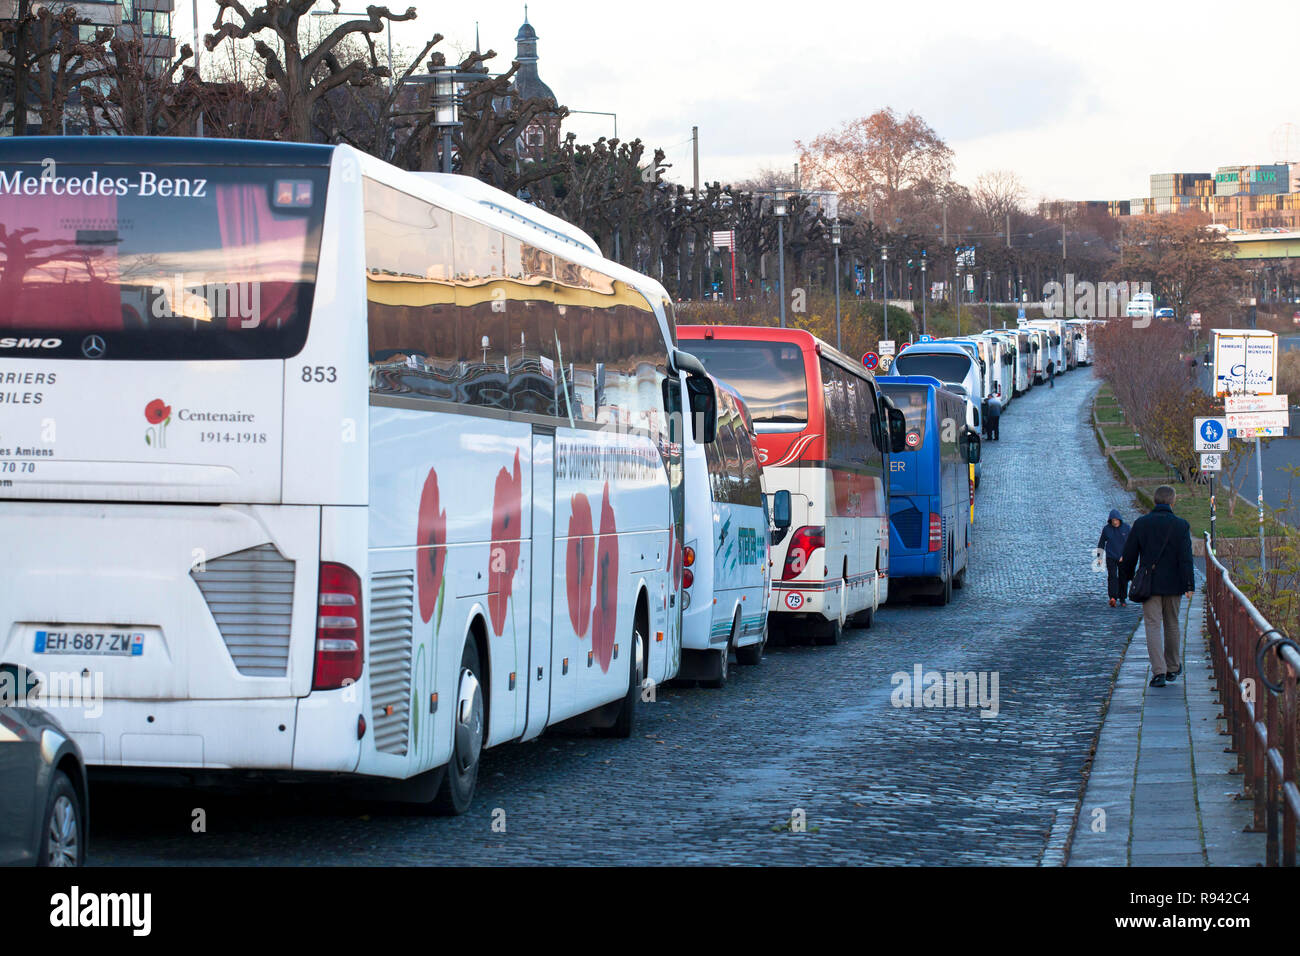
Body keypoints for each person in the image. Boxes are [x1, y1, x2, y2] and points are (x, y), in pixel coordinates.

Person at [1120, 485, 1195, 688]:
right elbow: (1186, 558)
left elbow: (1129, 555)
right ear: (1173, 501)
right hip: (1174, 584)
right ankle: (1173, 666)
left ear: (1154, 500)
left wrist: (1126, 578)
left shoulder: (1142, 523)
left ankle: (1159, 672)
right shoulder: (1181, 526)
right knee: (1172, 624)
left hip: (1149, 584)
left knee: (1152, 626)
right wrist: (1189, 584)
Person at [1097, 509, 1131, 607]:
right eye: (1113, 520)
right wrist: (1099, 557)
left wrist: (1125, 556)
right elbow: (1101, 542)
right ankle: (1113, 597)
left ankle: (1123, 598)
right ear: (1110, 521)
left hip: (1123, 557)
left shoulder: (1127, 528)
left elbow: (1131, 543)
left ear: (1119, 519)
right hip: (1111, 556)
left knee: (1123, 577)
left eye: (1116, 520)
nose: (1115, 522)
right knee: (1112, 576)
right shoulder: (1107, 529)